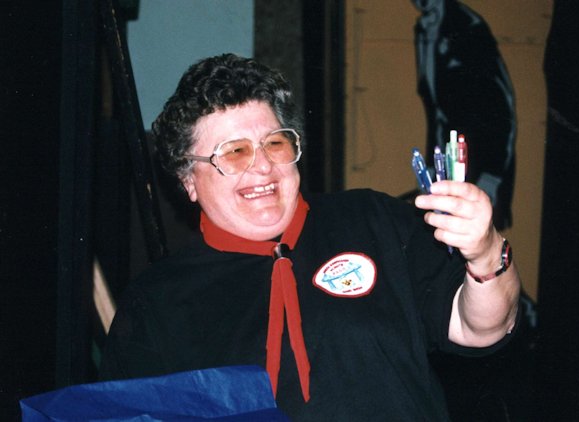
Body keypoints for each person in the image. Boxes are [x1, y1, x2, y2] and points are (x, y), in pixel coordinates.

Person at [99, 53, 521, 421]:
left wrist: (485, 253)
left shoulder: (373, 220)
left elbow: (482, 328)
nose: (263, 166)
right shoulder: (157, 303)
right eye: (235, 151)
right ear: (188, 180)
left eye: (275, 143)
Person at [412, 0, 516, 230]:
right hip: (446, 166)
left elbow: (498, 106)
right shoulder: (424, 27)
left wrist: (490, 179)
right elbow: (436, 110)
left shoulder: (467, 26)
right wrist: (431, 168)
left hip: (478, 165)